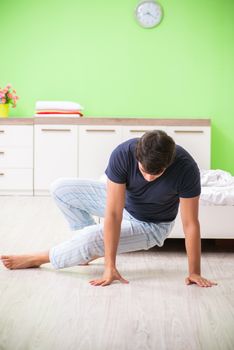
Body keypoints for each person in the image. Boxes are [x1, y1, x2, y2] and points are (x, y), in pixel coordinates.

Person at [0, 130, 217, 288]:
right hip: (124, 203)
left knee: (90, 239)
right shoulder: (123, 153)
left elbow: (190, 224)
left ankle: (39, 258)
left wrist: (194, 272)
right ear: (137, 156)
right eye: (144, 171)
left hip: (152, 225)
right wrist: (109, 266)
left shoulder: (186, 168)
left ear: (169, 163)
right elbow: (113, 213)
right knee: (60, 188)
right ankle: (87, 253)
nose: (149, 177)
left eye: (157, 173)